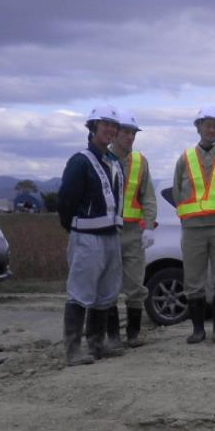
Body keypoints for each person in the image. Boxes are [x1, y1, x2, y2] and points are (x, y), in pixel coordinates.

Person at [58, 105, 125, 364]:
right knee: (81, 292)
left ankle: (97, 344)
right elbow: (66, 201)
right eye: (106, 124)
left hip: (111, 235)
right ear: (93, 127)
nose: (111, 130)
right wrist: (74, 228)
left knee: (106, 293)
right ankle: (73, 351)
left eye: (114, 126)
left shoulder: (114, 163)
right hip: (87, 236)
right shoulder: (80, 161)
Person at [172, 106, 215, 343]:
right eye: (207, 125)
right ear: (199, 127)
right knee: (193, 280)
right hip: (192, 229)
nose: (211, 130)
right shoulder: (185, 159)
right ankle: (198, 330)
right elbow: (177, 193)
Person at [107, 110, 158, 348]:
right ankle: (112, 336)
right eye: (125, 132)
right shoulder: (102, 158)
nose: (130, 137)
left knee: (136, 285)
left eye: (133, 133)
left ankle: (134, 334)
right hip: (108, 230)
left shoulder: (140, 161)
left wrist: (148, 226)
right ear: (115, 133)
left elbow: (148, 197)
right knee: (107, 284)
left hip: (133, 232)